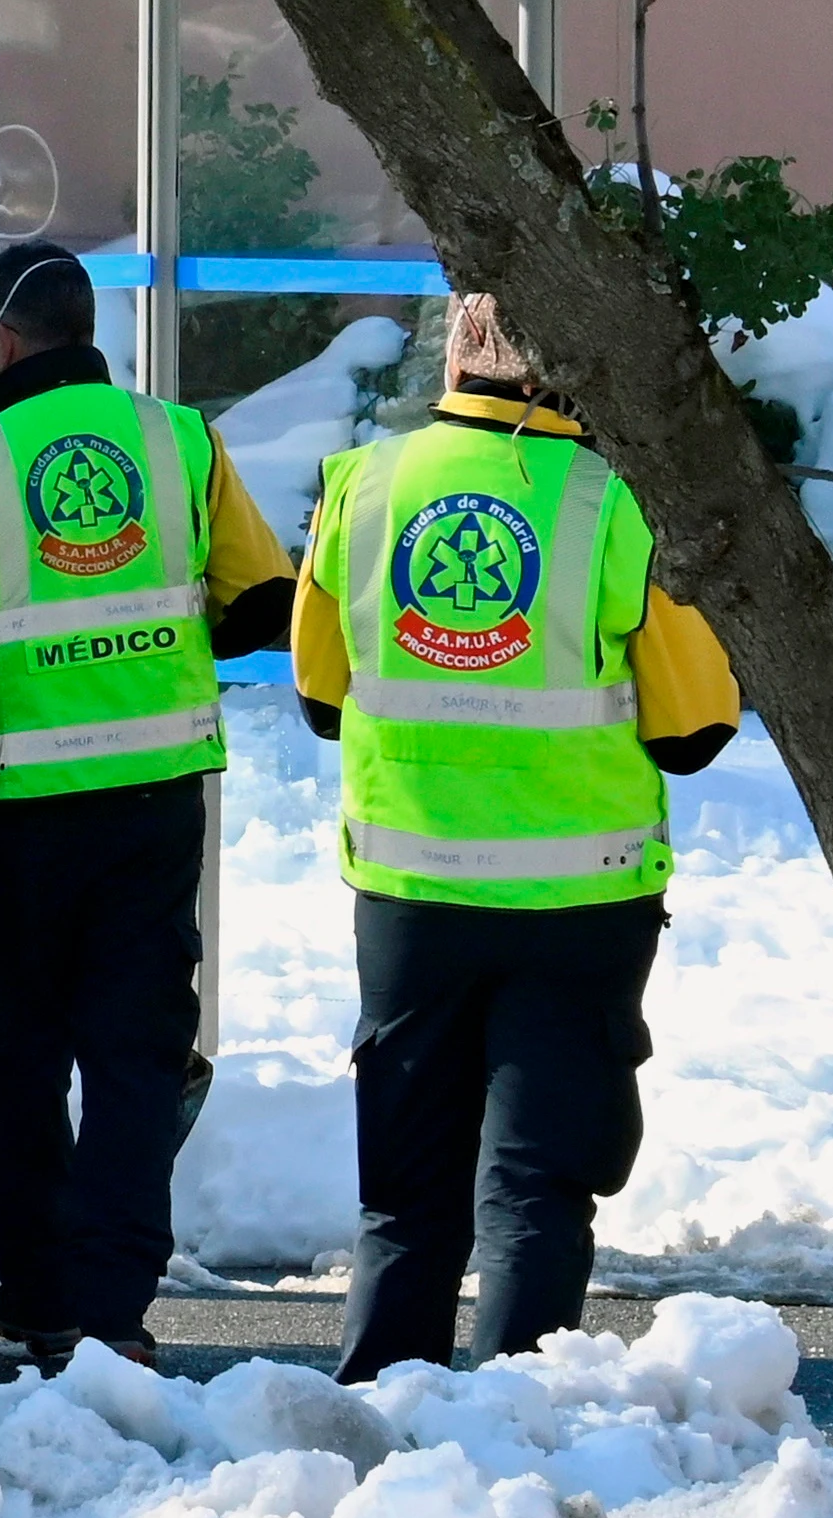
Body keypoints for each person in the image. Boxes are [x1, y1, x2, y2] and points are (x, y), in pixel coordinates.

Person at [0, 242, 297, 1370]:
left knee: (22, 1057)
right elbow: (260, 602)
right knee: (135, 1057)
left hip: (19, 817)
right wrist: (151, 626)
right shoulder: (179, 440)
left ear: (0, 342)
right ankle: (115, 1306)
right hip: (153, 804)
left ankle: (42, 1300)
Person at [301, 291, 739, 1382]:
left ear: (454, 356)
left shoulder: (363, 484)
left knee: (405, 1194)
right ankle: (518, 1425)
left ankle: (380, 1420)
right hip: (577, 905)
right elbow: (691, 730)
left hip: (409, 897)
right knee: (535, 1192)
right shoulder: (614, 505)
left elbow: (318, 692)